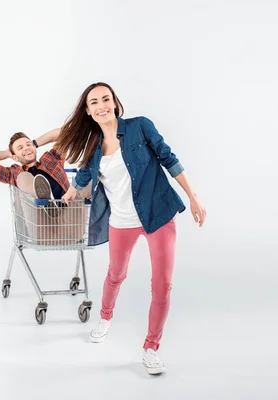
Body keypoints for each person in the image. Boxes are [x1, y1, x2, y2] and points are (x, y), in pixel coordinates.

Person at [54, 82, 207, 375]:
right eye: (94, 102)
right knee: (116, 274)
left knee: (162, 285)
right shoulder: (93, 146)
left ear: (114, 102)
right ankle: (105, 317)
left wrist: (193, 197)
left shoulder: (140, 127)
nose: (101, 106)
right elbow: (86, 172)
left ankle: (151, 347)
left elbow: (168, 158)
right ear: (88, 111)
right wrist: (73, 190)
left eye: (105, 99)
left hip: (157, 216)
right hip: (120, 222)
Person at [0, 129, 91, 246]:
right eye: (20, 148)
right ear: (15, 157)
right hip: (42, 229)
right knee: (22, 177)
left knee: (90, 176)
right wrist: (7, 153)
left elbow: (66, 133)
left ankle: (49, 198)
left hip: (71, 224)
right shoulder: (14, 173)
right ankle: (40, 194)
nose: (26, 148)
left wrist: (35, 143)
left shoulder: (51, 160)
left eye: (28, 145)